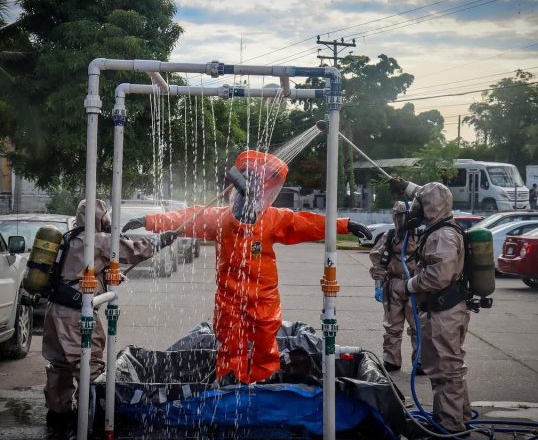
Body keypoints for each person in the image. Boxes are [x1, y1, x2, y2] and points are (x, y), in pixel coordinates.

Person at [122, 150, 372, 384]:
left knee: (265, 346)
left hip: (263, 299)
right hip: (229, 299)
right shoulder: (219, 219)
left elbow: (308, 223)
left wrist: (344, 224)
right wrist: (148, 220)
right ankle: (230, 383)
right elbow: (183, 218)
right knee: (230, 345)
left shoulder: (273, 218)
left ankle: (264, 384)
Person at [43, 199, 178, 425]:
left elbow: (77, 273)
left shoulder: (70, 238)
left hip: (54, 312)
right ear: (97, 218)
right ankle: (91, 419)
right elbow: (134, 250)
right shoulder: (97, 240)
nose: (107, 221)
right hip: (76, 316)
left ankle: (58, 414)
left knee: (60, 366)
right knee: (90, 366)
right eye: (104, 216)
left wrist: (104, 280)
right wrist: (162, 240)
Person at [389, 178, 471, 434]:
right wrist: (406, 186)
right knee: (448, 368)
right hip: (441, 310)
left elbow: (439, 275)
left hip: (444, 312)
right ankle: (458, 417)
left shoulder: (443, 235)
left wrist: (410, 285)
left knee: (446, 370)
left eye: (420, 205)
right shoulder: (440, 229)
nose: (416, 210)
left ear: (431, 207)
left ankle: (450, 426)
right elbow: (429, 194)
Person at [368, 201, 421, 374]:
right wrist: (378, 285)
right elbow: (378, 262)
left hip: (416, 286)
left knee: (418, 326)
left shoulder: (421, 236)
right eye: (399, 217)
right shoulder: (389, 236)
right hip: (394, 285)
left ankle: (420, 362)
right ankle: (391, 360)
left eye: (404, 217)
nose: (402, 221)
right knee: (392, 326)